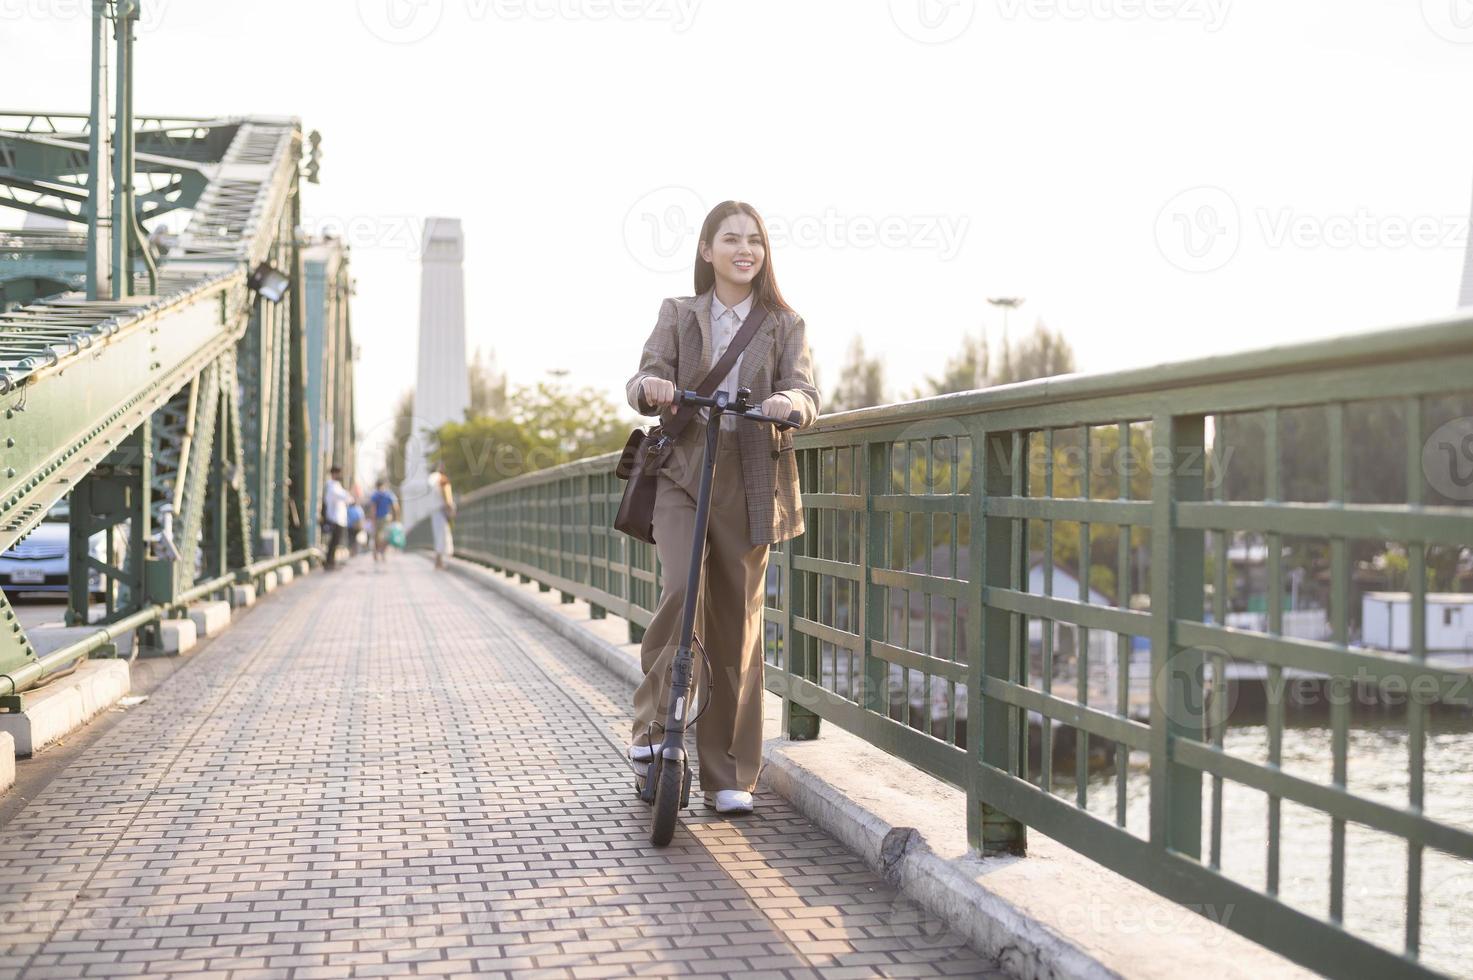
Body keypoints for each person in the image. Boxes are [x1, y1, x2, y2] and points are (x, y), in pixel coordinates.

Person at [623, 200, 820, 816]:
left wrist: (789, 401)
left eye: (755, 240)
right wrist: (651, 388)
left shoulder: (784, 322)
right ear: (706, 251)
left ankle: (728, 771)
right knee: (683, 591)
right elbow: (642, 377)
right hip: (684, 471)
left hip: (753, 474)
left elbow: (807, 390)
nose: (745, 250)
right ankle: (655, 729)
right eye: (731, 239)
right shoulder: (679, 314)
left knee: (739, 622)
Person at [322, 465, 353, 571]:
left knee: (335, 541)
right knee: (334, 542)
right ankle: (329, 562)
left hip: (339, 518)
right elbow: (346, 497)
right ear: (334, 473)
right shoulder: (332, 486)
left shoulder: (336, 485)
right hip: (335, 518)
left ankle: (331, 561)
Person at [428, 462, 456, 569]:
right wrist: (450, 507)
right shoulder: (442, 479)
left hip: (434, 509)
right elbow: (446, 493)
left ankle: (438, 561)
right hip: (441, 509)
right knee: (443, 534)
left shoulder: (431, 479)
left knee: (438, 534)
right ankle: (439, 561)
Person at [369, 478, 400, 564]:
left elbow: (373, 508)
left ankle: (376, 552)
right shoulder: (389, 494)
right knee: (386, 536)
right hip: (387, 518)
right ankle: (383, 552)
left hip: (378, 518)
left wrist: (372, 519)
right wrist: (396, 519)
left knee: (377, 536)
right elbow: (396, 507)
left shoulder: (375, 495)